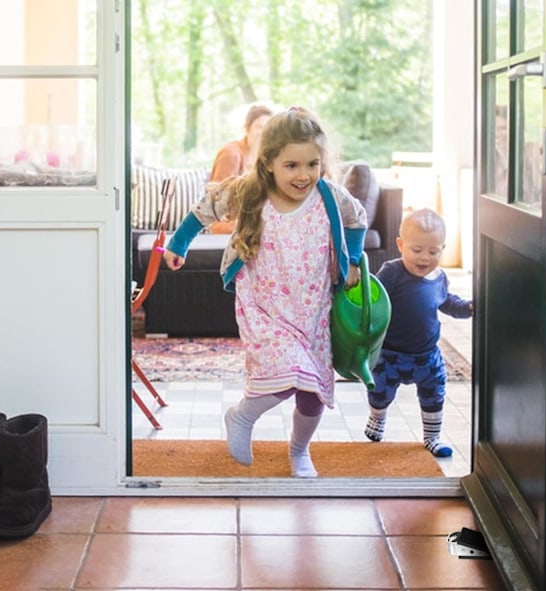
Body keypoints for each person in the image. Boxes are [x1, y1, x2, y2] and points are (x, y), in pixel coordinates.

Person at [163, 107, 367, 477]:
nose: (303, 175)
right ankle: (242, 417)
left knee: (313, 392)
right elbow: (205, 210)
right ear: (270, 162)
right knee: (288, 376)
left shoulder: (330, 196)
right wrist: (178, 245)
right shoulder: (251, 192)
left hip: (313, 310)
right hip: (264, 307)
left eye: (312, 164)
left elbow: (357, 219)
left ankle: (299, 450)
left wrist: (352, 260)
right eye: (291, 165)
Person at [364, 208, 473, 457]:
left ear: (441, 249)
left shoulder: (439, 277)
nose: (425, 258)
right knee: (379, 393)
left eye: (433, 252)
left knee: (434, 395)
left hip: (427, 356)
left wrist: (467, 308)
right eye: (417, 250)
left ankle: (432, 437)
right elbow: (375, 300)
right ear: (401, 245)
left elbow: (447, 302)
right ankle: (377, 417)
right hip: (390, 354)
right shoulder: (391, 272)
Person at [208, 102, 275, 234]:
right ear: (247, 128)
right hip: (226, 224)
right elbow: (217, 203)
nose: (263, 132)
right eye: (259, 127)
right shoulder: (232, 154)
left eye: (268, 128)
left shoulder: (264, 157)